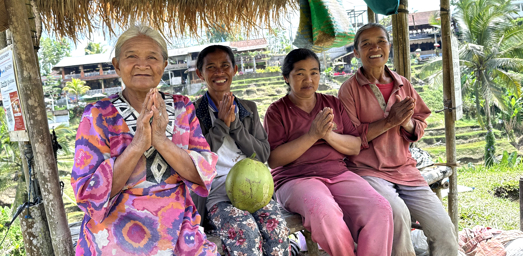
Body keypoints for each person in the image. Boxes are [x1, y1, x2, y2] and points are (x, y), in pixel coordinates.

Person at [71, 25, 219, 256]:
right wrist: (138, 144)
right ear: (117, 65)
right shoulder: (97, 114)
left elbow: (201, 173)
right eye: (132, 57)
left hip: (177, 221)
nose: (143, 64)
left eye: (152, 57)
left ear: (164, 65)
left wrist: (161, 140)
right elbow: (90, 192)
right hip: (115, 223)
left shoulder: (182, 107)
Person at [338, 23, 459, 255]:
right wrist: (389, 122)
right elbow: (350, 138)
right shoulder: (349, 90)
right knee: (398, 215)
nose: (375, 48)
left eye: (381, 41)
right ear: (356, 52)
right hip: (367, 171)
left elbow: (420, 120)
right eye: (366, 44)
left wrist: (408, 124)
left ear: (389, 46)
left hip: (405, 170)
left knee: (443, 228)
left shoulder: (403, 84)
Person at [264, 48, 394, 256]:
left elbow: (354, 146)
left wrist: (328, 136)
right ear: (286, 78)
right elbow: (274, 159)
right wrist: (312, 135)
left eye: (314, 72)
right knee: (324, 211)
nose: (309, 79)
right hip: (295, 180)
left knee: (380, 209)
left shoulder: (332, 104)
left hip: (338, 174)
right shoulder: (276, 111)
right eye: (300, 73)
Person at [191, 45, 290, 256]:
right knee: (245, 231)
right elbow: (195, 159)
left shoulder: (248, 108)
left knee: (276, 229)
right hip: (216, 194)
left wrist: (235, 126)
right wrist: (220, 125)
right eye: (211, 67)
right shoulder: (193, 113)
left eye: (225, 66)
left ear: (235, 69)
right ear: (200, 73)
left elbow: (262, 155)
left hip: (255, 189)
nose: (219, 72)